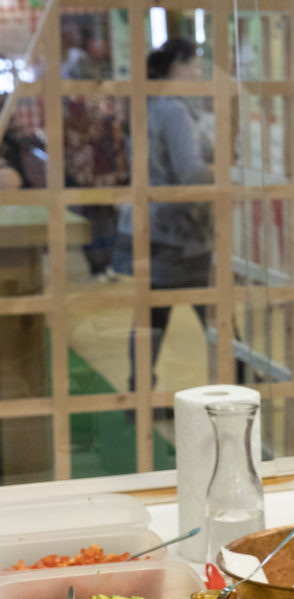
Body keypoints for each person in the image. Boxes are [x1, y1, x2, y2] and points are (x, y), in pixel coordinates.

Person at [113, 37, 215, 394]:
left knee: (152, 316)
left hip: (146, 226)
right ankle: (242, 379)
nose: (198, 71)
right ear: (176, 66)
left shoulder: (144, 105)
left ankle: (139, 388)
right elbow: (190, 174)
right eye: (193, 64)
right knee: (214, 309)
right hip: (179, 233)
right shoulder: (174, 111)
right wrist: (225, 171)